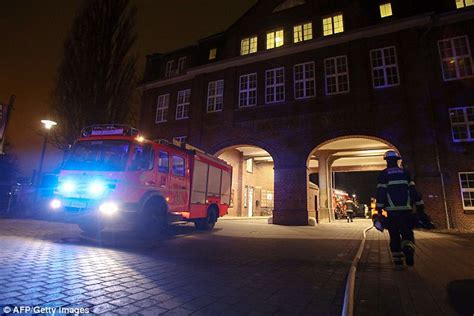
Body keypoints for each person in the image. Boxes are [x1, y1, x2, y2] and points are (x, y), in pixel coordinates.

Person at [374, 150, 426, 266]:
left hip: (392, 212)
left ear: (387, 161)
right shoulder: (405, 173)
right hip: (406, 211)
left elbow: (381, 192)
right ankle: (408, 249)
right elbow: (413, 191)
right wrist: (420, 205)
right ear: (397, 161)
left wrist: (379, 209)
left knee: (394, 234)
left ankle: (397, 260)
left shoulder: (383, 174)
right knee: (407, 232)